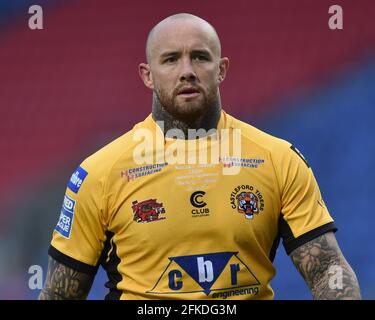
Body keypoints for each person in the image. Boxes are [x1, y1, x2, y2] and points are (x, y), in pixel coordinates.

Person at [39, 13, 361, 300]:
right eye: (170, 60)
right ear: (147, 74)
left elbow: (326, 270)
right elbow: (59, 293)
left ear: (221, 69)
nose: (187, 71)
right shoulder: (100, 173)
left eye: (200, 57)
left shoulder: (278, 160)